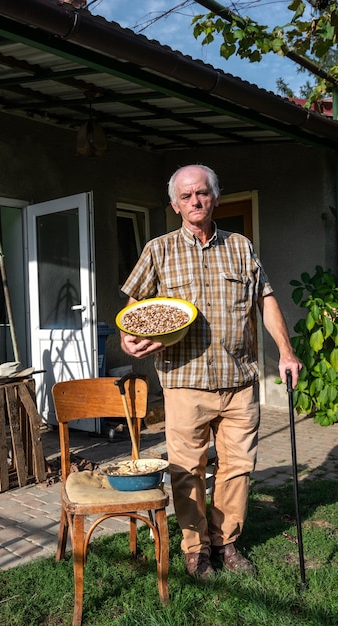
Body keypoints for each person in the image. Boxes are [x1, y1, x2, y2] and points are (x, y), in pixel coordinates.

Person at [119, 164, 301, 581]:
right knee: (188, 470)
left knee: (237, 467)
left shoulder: (240, 246)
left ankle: (227, 542)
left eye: (202, 193)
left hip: (239, 381)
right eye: (185, 196)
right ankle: (195, 549)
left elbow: (266, 300)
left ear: (215, 197)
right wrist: (129, 337)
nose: (194, 201)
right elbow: (134, 309)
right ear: (174, 204)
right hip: (185, 382)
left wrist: (286, 353)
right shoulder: (158, 250)